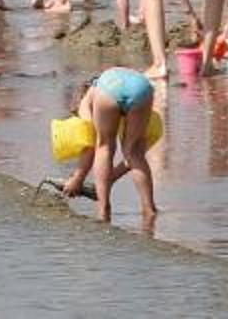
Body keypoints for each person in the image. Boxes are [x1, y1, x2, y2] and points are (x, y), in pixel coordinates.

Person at [50, 67, 161, 224]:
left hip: (109, 90)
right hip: (142, 87)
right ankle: (149, 209)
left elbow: (90, 147)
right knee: (133, 152)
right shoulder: (113, 81)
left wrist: (77, 179)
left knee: (105, 146)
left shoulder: (87, 100)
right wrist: (111, 177)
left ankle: (104, 209)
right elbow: (135, 158)